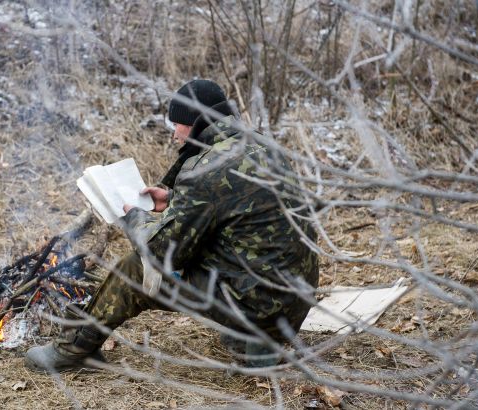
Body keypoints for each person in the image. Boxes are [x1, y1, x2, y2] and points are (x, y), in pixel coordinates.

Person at [25, 79, 319, 373]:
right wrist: (175, 198)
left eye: (177, 124)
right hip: (293, 301)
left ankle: (72, 351)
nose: (174, 134)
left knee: (135, 269)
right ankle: (256, 345)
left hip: (259, 309)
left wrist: (133, 217)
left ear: (195, 123)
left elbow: (162, 254)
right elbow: (235, 203)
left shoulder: (205, 168)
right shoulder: (261, 144)